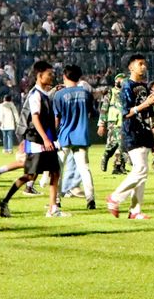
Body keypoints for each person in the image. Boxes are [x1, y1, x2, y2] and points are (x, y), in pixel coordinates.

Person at [0, 61, 65, 218]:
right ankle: (4, 202)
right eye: (49, 74)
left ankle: (53, 208)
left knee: (55, 172)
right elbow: (35, 118)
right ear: (40, 76)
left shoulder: (45, 94)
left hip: (47, 141)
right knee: (30, 175)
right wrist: (45, 139)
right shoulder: (35, 95)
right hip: (38, 143)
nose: (52, 76)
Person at [107, 56, 154, 219]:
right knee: (141, 169)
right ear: (131, 67)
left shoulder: (143, 86)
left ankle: (135, 211)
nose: (144, 67)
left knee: (142, 174)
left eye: (145, 63)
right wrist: (145, 104)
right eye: (140, 64)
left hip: (144, 132)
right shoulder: (126, 86)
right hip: (131, 132)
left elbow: (148, 113)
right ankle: (115, 198)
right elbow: (126, 113)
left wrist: (153, 135)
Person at [54, 65, 97, 210]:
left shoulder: (59, 95)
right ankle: (90, 199)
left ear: (65, 77)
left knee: (58, 169)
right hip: (81, 135)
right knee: (84, 169)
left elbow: (57, 118)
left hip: (65, 136)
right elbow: (92, 114)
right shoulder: (86, 93)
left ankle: (57, 200)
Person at [98, 73, 126, 174]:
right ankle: (106, 156)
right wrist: (101, 124)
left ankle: (118, 166)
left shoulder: (126, 92)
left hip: (124, 121)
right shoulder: (111, 92)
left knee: (122, 144)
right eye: (120, 79)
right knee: (113, 144)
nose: (122, 81)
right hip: (113, 122)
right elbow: (104, 108)